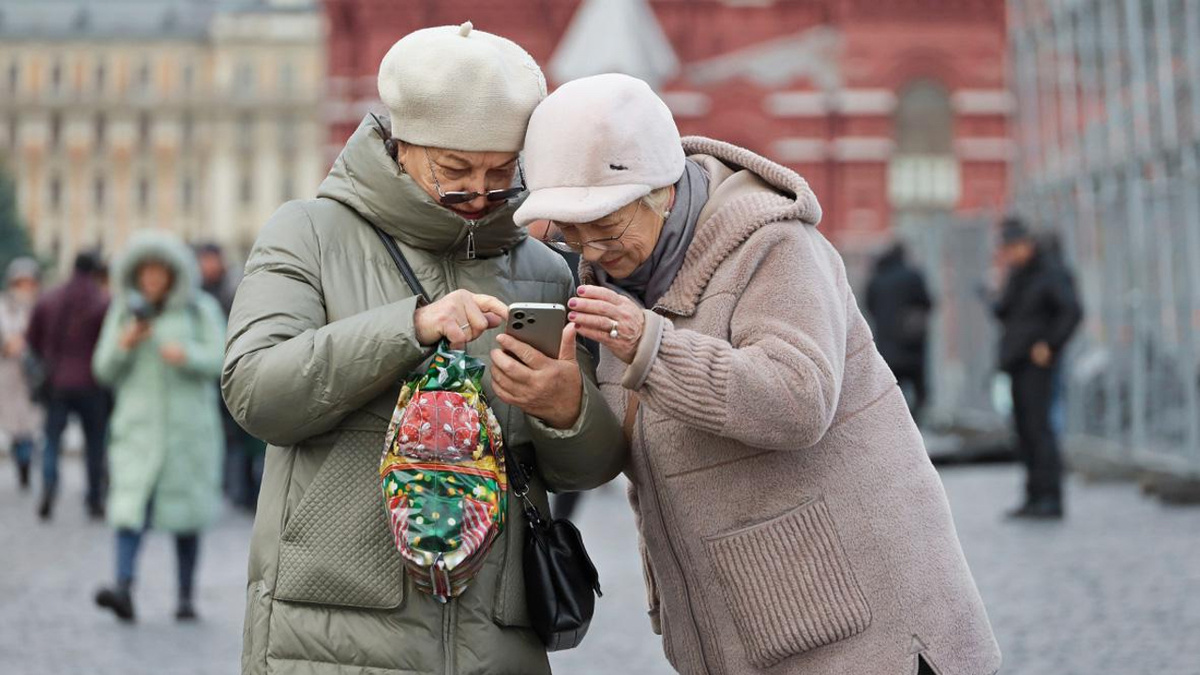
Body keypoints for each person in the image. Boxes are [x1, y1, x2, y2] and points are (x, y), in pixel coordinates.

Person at [515, 73, 1001, 675]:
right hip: (751, 633)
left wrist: (650, 346)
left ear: (661, 193)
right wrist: (563, 403)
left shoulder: (772, 245)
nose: (590, 250)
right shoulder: (619, 286)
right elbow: (623, 449)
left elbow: (798, 400)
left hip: (864, 637)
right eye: (569, 231)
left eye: (605, 226)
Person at [222, 23, 625, 675]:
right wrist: (408, 328)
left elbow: (586, 469)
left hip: (495, 642)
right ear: (400, 145)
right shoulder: (308, 235)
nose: (481, 194)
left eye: (501, 172)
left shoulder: (545, 272)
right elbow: (256, 393)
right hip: (332, 637)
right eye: (456, 171)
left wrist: (566, 409)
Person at [91, 230, 226, 623]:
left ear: (172, 274)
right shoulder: (123, 312)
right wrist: (125, 343)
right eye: (145, 271)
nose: (151, 278)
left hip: (187, 432)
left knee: (187, 516)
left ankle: (185, 596)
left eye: (159, 270)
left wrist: (187, 355)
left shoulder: (199, 309)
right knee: (129, 510)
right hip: (138, 431)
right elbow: (102, 370)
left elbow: (222, 360)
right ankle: (123, 588)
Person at [993, 217, 1082, 519]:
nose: (1010, 254)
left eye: (1014, 247)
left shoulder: (1050, 272)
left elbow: (1071, 311)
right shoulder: (1019, 275)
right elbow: (1007, 313)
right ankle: (1033, 495)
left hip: (1037, 364)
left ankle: (1050, 497)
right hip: (1017, 361)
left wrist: (1050, 345)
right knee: (1024, 430)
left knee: (1039, 428)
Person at [25, 251, 110, 520]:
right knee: (95, 443)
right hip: (93, 382)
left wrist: (48, 359)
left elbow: (32, 338)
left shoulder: (50, 298)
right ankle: (94, 497)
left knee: (52, 439)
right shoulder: (103, 300)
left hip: (57, 381)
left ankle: (49, 485)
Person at [196, 241, 261, 510]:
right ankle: (231, 487)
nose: (206, 265)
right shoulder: (197, 291)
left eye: (210, 259)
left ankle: (245, 491)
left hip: (236, 368)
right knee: (226, 437)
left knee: (244, 436)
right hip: (212, 377)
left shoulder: (232, 287)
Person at [866, 242, 934, 418]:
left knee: (891, 394)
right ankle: (914, 424)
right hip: (913, 346)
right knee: (920, 393)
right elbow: (927, 303)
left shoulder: (876, 280)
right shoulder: (913, 276)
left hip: (887, 347)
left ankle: (897, 425)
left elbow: (869, 308)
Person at [0, 257, 43, 490]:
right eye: (21, 283)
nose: (25, 288)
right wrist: (7, 346)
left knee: (31, 423)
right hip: (8, 373)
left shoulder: (41, 306)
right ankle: (21, 459)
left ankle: (26, 461)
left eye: (29, 283)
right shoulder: (3, 307)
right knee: (13, 425)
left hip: (33, 374)